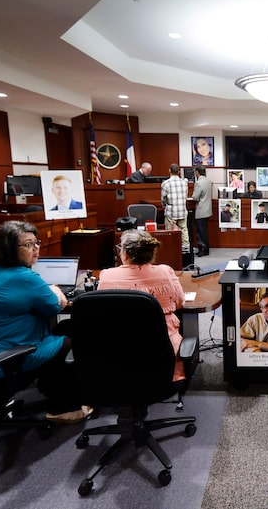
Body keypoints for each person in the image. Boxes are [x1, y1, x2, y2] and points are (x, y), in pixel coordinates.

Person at [0, 220, 89, 423]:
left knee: (60, 328)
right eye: (29, 244)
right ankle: (64, 407)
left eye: (36, 242)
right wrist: (55, 290)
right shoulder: (25, 277)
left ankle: (49, 386)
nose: (36, 248)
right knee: (68, 342)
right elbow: (53, 307)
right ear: (7, 249)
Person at [98, 229, 187, 382]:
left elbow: (101, 310)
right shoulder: (166, 272)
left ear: (125, 254)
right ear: (151, 253)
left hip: (119, 353)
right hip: (161, 356)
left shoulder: (107, 275)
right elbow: (179, 303)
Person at [161, 163, 189, 251]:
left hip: (171, 212)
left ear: (169, 170)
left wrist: (165, 205)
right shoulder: (184, 183)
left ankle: (172, 249)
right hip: (182, 210)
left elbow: (163, 199)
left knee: (170, 232)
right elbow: (186, 196)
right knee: (184, 230)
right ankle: (185, 249)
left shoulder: (165, 183)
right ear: (179, 172)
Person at [192, 165, 212, 256]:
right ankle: (206, 249)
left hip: (201, 210)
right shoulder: (208, 181)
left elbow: (195, 197)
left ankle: (202, 250)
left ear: (197, 172)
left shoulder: (199, 183)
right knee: (205, 231)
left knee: (200, 232)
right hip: (208, 210)